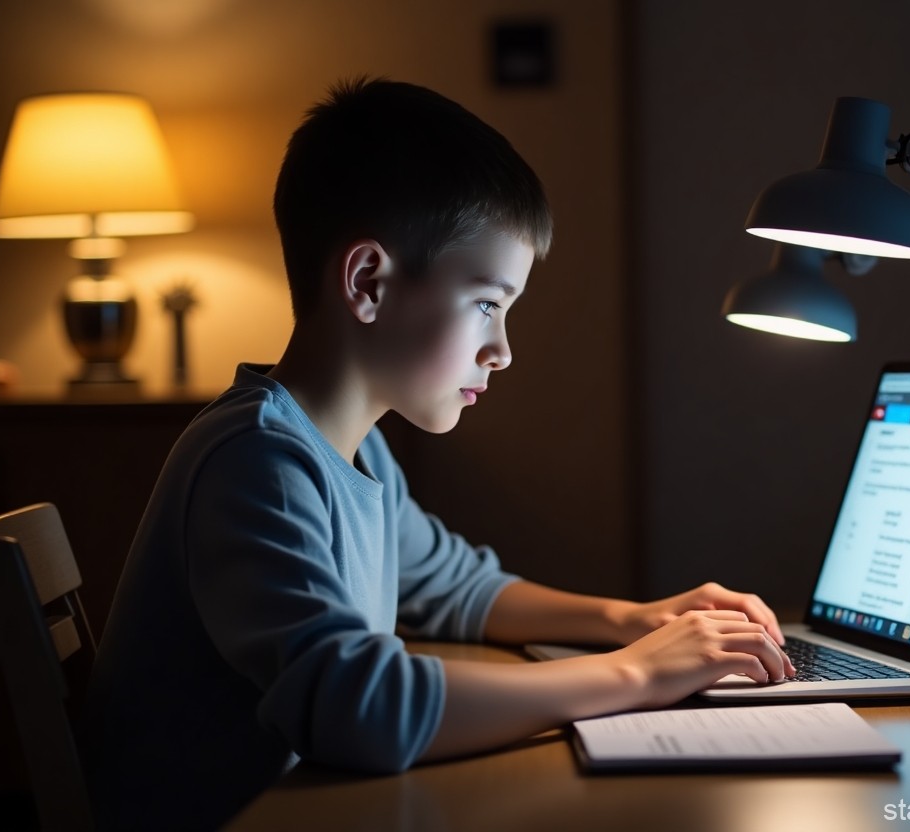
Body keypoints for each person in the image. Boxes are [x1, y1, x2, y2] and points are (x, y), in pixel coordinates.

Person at [82, 77, 793, 831]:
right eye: (487, 303)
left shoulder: (357, 451)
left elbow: (459, 589)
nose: (504, 351)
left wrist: (634, 618)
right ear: (367, 283)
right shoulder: (257, 462)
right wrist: (635, 673)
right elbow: (357, 706)